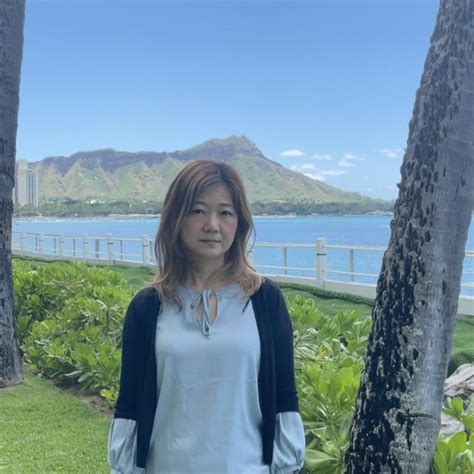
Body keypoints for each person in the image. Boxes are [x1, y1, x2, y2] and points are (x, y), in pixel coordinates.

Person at [108, 159, 306, 473]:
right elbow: (130, 404)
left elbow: (284, 398)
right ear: (176, 218)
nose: (212, 225)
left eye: (225, 212)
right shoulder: (147, 307)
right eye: (198, 210)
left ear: (239, 222)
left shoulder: (265, 301)